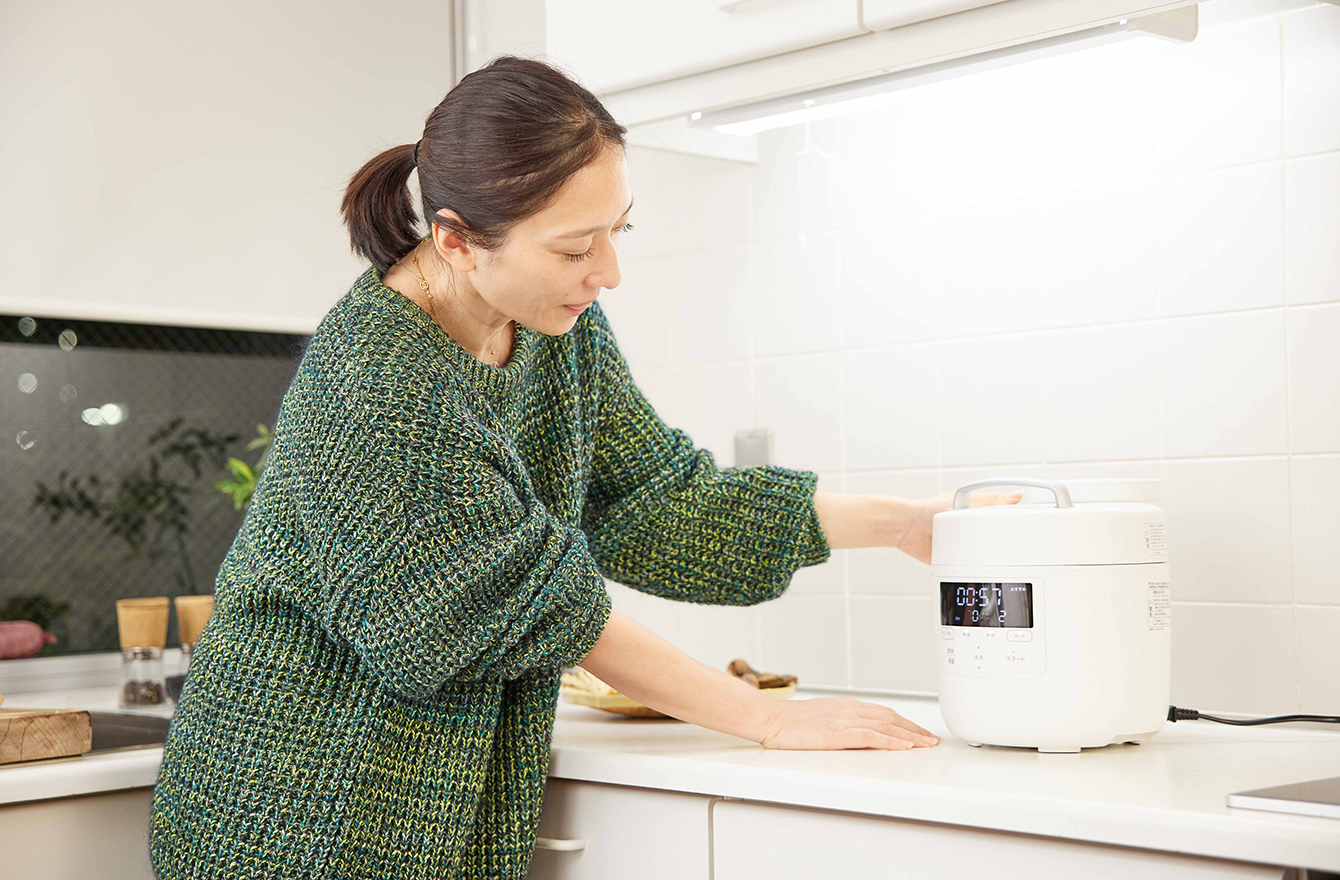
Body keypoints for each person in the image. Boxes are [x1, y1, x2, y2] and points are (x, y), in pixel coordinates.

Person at [147, 55, 1019, 880]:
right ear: (455, 241)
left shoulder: (554, 329)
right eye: (575, 249)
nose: (608, 272)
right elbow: (529, 605)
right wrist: (765, 718)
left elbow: (660, 503)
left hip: (433, 811)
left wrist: (904, 522)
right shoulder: (377, 382)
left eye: (617, 231)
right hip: (297, 815)